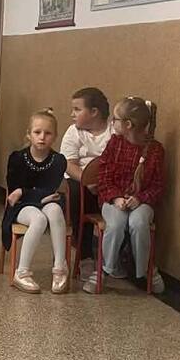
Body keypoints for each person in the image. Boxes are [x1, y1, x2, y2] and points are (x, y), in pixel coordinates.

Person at [85, 96, 166, 294]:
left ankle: (146, 269)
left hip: (141, 202)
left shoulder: (155, 150)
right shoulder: (114, 144)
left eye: (115, 119)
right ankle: (104, 269)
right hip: (114, 200)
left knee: (139, 223)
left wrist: (140, 199)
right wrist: (116, 197)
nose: (112, 123)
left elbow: (158, 186)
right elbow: (104, 177)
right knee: (116, 224)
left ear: (128, 125)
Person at [3, 109, 69, 294]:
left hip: (46, 203)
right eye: (37, 132)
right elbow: (13, 194)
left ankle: (60, 267)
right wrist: (29, 194)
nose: (42, 137)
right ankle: (21, 272)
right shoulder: (17, 158)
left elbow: (49, 189)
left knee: (55, 210)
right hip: (21, 207)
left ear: (55, 136)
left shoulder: (58, 160)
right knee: (39, 219)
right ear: (29, 134)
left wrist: (24, 192)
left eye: (48, 133)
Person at [62, 86, 112, 268]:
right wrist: (88, 180)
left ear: (94, 112)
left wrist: (102, 183)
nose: (72, 114)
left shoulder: (114, 132)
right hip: (81, 181)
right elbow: (69, 163)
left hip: (107, 183)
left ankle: (116, 256)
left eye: (77, 109)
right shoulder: (74, 132)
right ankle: (84, 254)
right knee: (76, 193)